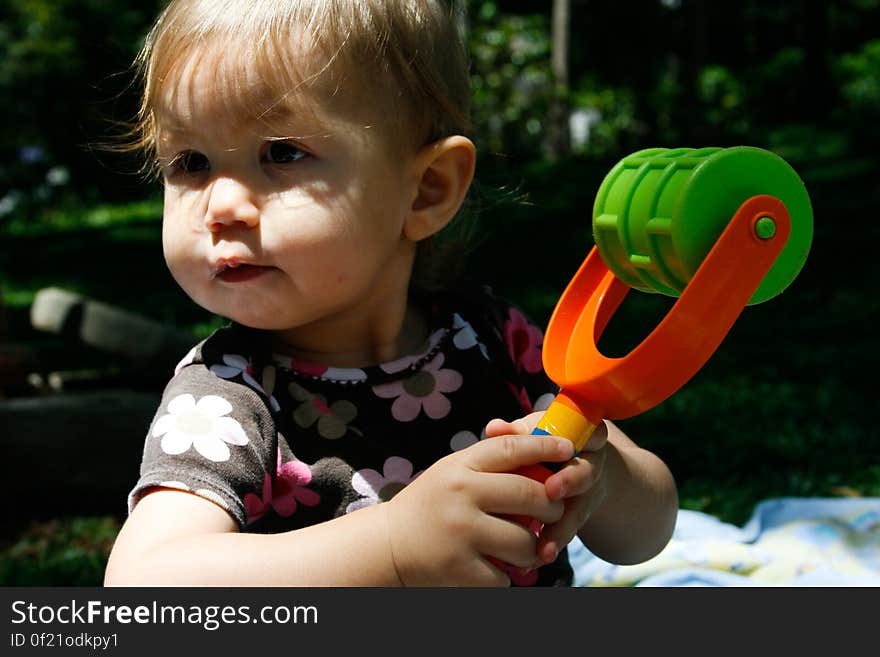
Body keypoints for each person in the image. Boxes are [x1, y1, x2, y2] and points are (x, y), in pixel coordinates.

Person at [104, 0, 678, 587]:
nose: (220, 206)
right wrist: (393, 545)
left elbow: (647, 534)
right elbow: (144, 586)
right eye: (191, 162)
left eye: (281, 152)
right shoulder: (230, 395)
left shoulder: (490, 337)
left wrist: (605, 481)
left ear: (427, 190)